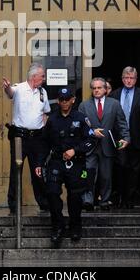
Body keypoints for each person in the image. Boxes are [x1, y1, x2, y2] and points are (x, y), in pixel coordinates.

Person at [35, 87, 94, 245]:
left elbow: (90, 140)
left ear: (73, 100)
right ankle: (58, 226)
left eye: (67, 99)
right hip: (56, 162)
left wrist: (75, 150)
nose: (64, 102)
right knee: (52, 194)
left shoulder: (81, 118)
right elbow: (44, 143)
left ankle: (75, 226)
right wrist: (39, 163)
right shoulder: (53, 120)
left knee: (75, 197)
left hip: (76, 163)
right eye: (61, 99)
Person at [2, 63, 50, 213]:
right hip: (19, 138)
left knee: (38, 171)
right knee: (16, 170)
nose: (44, 79)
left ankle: (44, 202)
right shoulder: (20, 88)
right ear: (33, 76)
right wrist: (7, 87)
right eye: (42, 76)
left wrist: (44, 130)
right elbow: (11, 93)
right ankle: (14, 205)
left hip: (37, 138)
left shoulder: (43, 92)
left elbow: (46, 112)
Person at [79, 77, 129, 210]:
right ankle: (88, 201)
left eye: (99, 88)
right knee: (89, 174)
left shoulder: (114, 104)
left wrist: (126, 138)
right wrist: (91, 132)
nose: (96, 90)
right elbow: (80, 127)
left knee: (106, 176)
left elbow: (122, 123)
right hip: (90, 146)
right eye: (94, 88)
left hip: (107, 146)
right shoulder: (84, 105)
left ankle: (104, 201)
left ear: (105, 89)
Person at [110, 66, 140, 208]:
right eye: (126, 78)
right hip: (120, 137)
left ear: (136, 79)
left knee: (134, 170)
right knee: (121, 166)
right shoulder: (115, 94)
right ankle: (120, 196)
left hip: (136, 138)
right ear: (122, 79)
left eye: (132, 78)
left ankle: (129, 199)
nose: (129, 81)